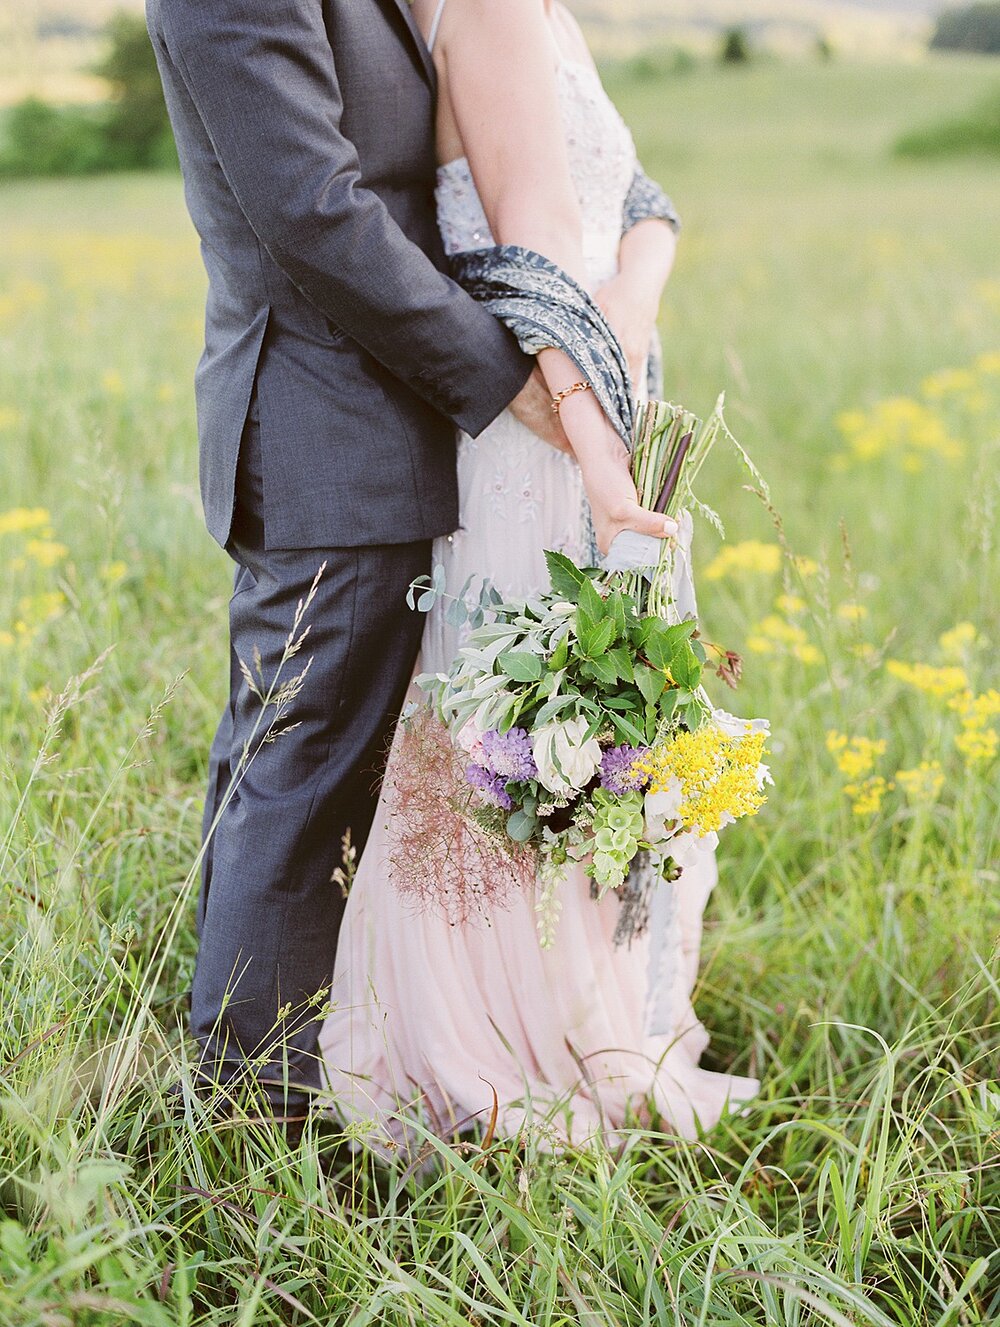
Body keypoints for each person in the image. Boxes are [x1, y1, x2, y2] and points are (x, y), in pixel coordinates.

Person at [146, 0, 668, 1131]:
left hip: (413, 431)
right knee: (298, 775)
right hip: (322, 423)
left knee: (331, 774)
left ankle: (324, 1063)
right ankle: (250, 1122)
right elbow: (312, 210)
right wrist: (515, 382)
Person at [318, 0, 759, 1150]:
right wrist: (604, 447)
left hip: (602, 391)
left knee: (575, 724)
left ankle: (593, 1009)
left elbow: (645, 206)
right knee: (532, 728)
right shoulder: (492, 9)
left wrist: (630, 301)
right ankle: (502, 1046)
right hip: (549, 439)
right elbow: (533, 254)